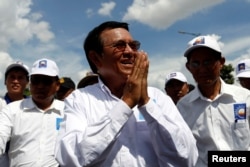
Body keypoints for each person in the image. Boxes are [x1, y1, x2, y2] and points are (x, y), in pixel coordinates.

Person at [55, 21, 198, 167]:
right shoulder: (79, 100)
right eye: (119, 45)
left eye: (134, 45)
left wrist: (147, 104)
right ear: (96, 58)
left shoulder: (158, 98)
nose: (130, 52)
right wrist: (126, 103)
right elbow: (70, 159)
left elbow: (187, 158)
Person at [177, 35, 250, 167]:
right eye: (195, 63)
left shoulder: (244, 98)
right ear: (188, 67)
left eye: (208, 62)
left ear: (221, 62)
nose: (202, 69)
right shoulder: (183, 107)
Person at [0, 58, 64, 166]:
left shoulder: (67, 110)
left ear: (57, 85)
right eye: (36, 80)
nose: (40, 86)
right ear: (30, 83)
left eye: (46, 81)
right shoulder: (12, 110)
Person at [0, 61, 29, 167]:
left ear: (27, 82)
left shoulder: (34, 106)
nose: (16, 81)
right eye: (12, 77)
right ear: (5, 81)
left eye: (20, 77)